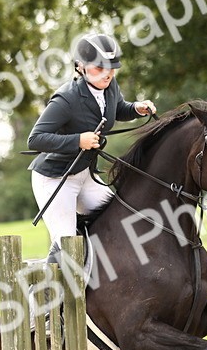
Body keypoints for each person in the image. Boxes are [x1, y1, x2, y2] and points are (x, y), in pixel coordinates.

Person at [28, 33, 157, 251]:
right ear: (80, 67)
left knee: (119, 221)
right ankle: (52, 282)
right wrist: (78, 140)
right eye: (99, 68)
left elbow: (116, 109)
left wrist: (136, 108)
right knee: (67, 246)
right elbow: (35, 139)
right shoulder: (66, 99)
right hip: (55, 178)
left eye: (112, 68)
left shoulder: (110, 86)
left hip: (85, 174)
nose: (107, 74)